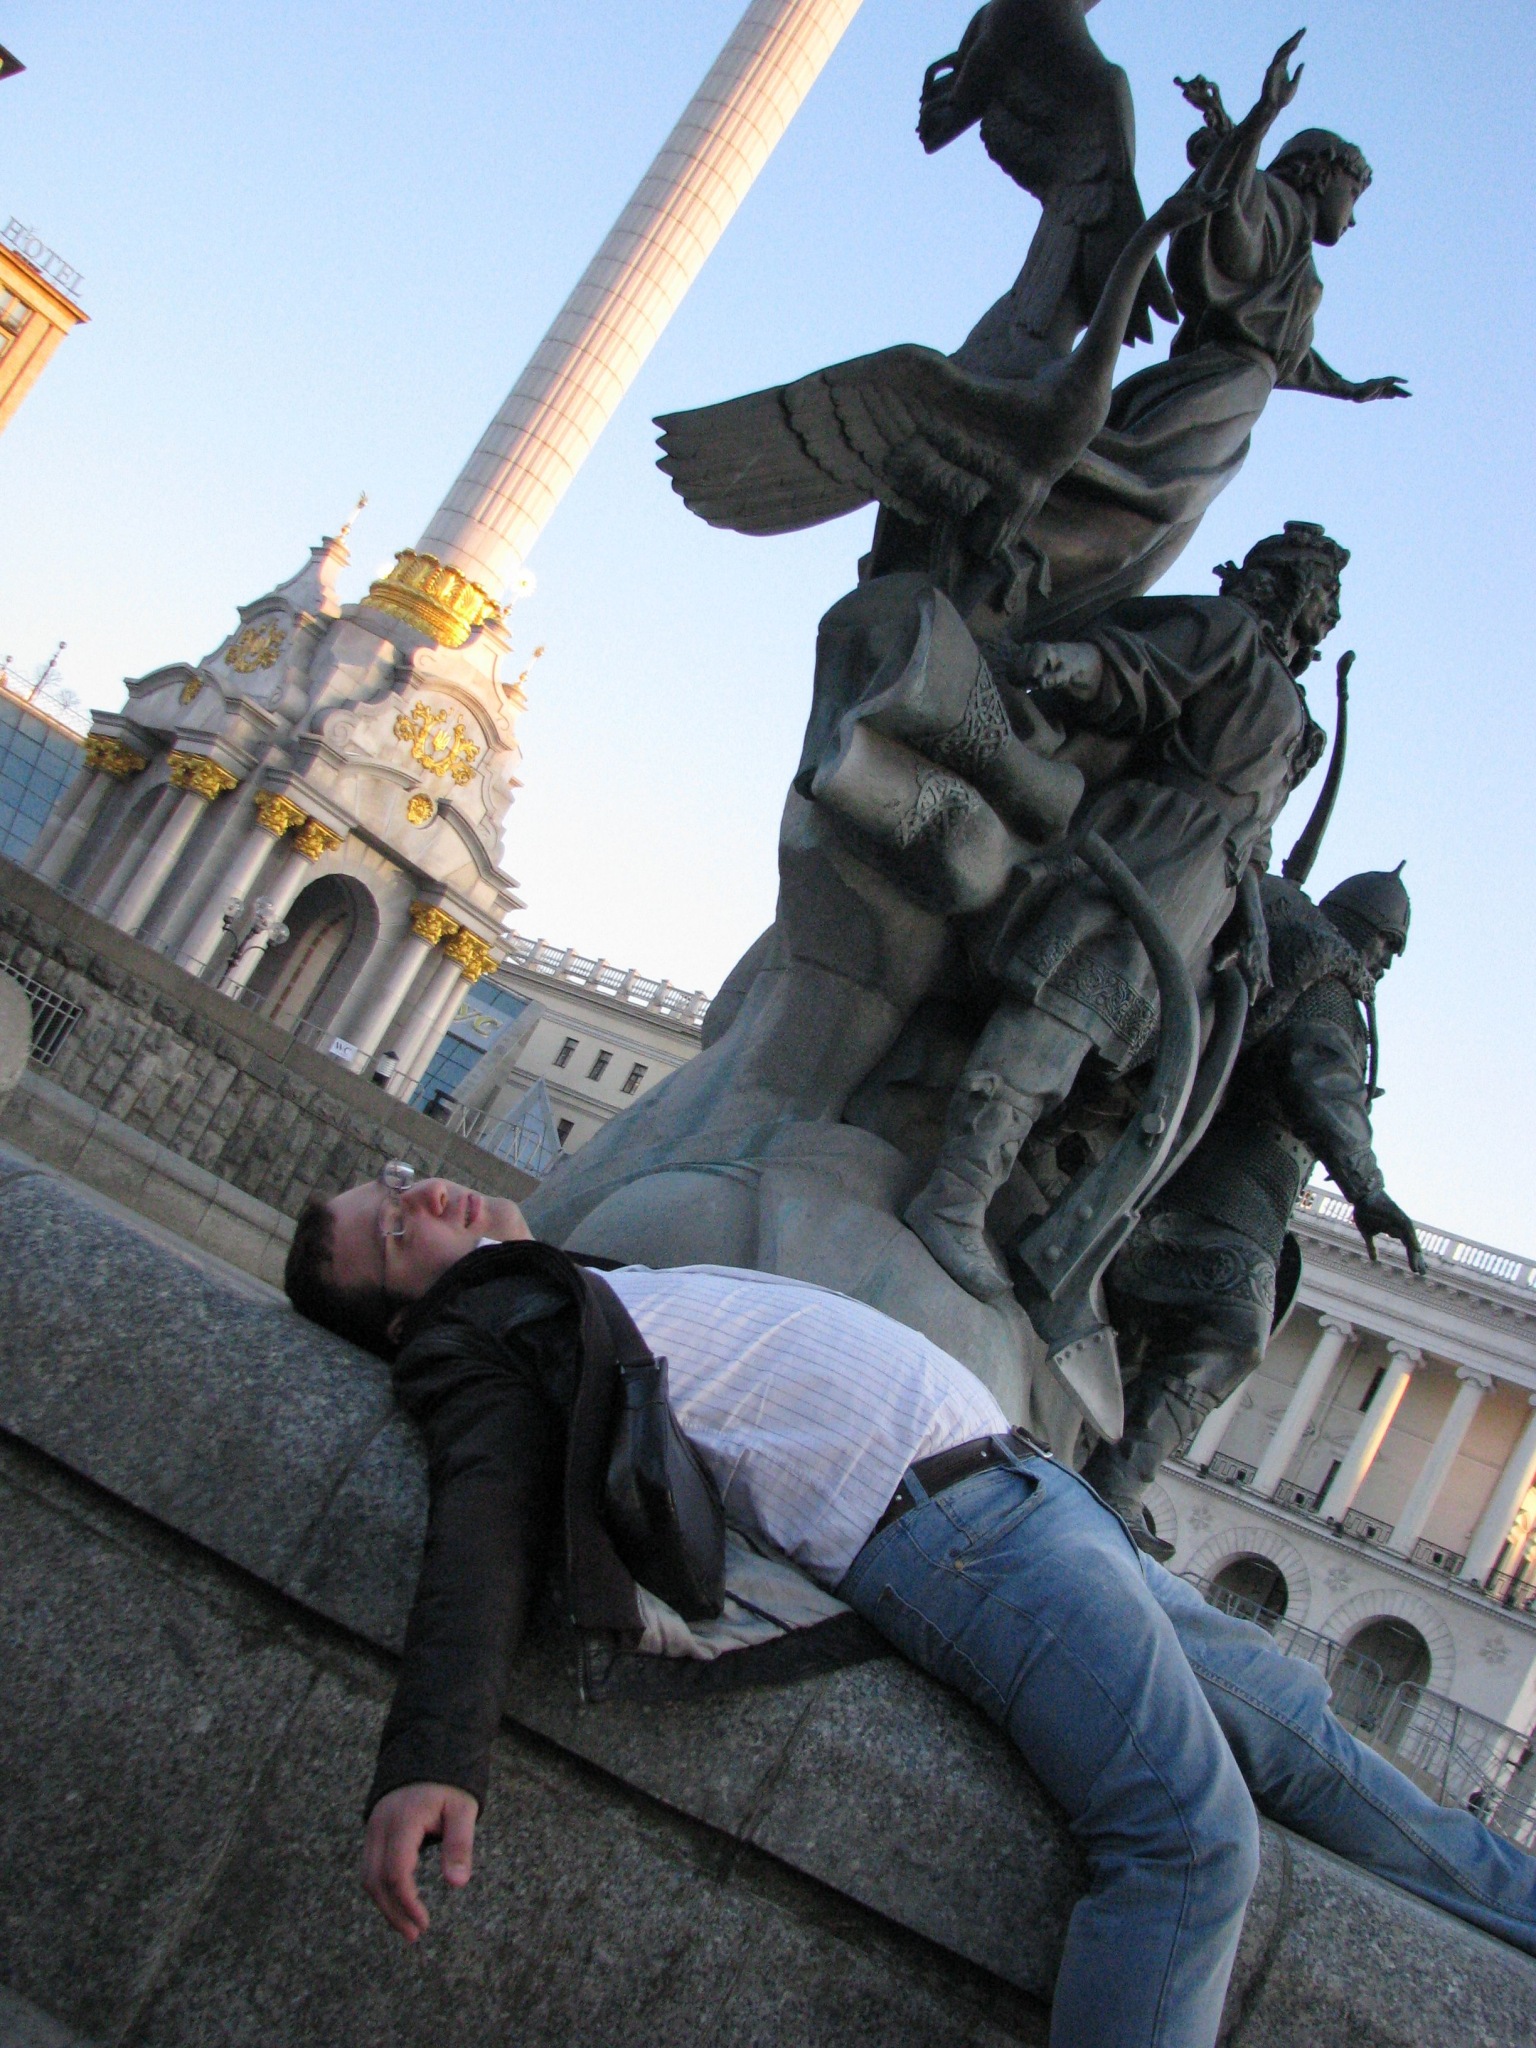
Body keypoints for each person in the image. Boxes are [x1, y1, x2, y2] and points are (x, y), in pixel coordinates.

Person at [285, 1167, 1536, 2048]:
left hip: (1032, 1496)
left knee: (1307, 1735)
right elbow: (483, 1510)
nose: (419, 1193)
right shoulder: (484, 1335)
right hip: (955, 1534)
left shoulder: (571, 1282)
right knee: (1186, 1840)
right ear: (407, 1315)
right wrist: (432, 1750)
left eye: (397, 1181)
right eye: (392, 1228)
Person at [903, 521, 1340, 1302]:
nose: (1326, 614)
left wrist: (1252, 922)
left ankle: (1022, 1195)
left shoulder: (1295, 710)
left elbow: (1257, 836)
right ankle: (953, 1198)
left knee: (1124, 1071)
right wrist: (1068, 663)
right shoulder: (1231, 634)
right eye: (1321, 595)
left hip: (1204, 898)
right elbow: (1142, 668)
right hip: (1153, 851)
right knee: (1058, 1019)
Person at [1083, 865, 1425, 1552]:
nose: (1386, 962)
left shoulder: (1304, 960)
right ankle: (1114, 1483)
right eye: (1387, 942)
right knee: (1233, 1327)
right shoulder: (1328, 987)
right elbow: (1320, 1079)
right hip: (1220, 1192)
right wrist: (1367, 1187)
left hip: (1234, 1192)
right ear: (1359, 924)